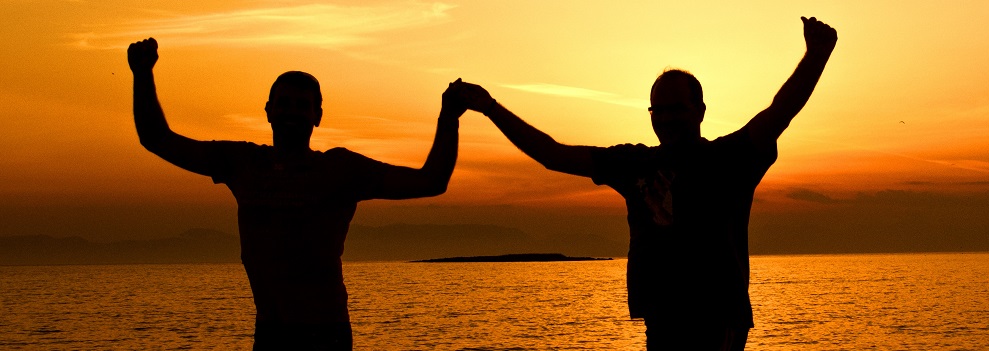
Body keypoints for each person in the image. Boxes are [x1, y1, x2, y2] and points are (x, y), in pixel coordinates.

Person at [453, 17, 837, 350]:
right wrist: (490, 108)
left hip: (717, 319)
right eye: (659, 110)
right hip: (660, 319)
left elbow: (779, 112)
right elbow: (553, 155)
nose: (667, 119)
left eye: (677, 109)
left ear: (700, 111)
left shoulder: (727, 160)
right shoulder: (633, 163)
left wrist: (816, 55)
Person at [127, 38, 465, 350]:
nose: (292, 111)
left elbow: (431, 181)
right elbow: (157, 138)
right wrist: (143, 74)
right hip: (271, 334)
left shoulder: (340, 170)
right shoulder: (243, 162)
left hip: (325, 334)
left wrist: (448, 115)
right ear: (268, 111)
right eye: (284, 103)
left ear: (317, 116)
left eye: (302, 105)